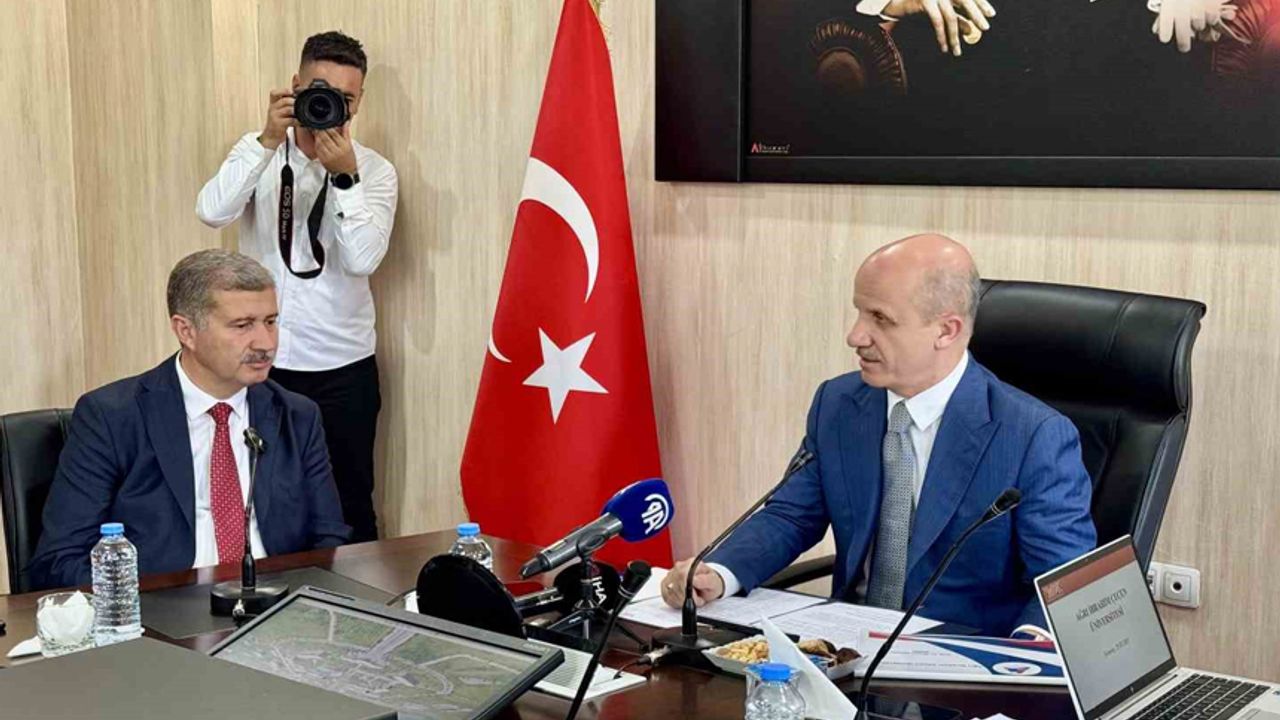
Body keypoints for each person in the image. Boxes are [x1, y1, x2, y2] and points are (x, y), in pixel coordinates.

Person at [660, 234, 1097, 637]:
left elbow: (1064, 582)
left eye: (880, 319)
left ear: (946, 331)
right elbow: (791, 516)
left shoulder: (1033, 436)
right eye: (859, 312)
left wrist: (1024, 660)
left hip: (962, 659)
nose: (855, 336)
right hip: (846, 647)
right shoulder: (838, 404)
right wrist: (719, 573)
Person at [29, 250, 350, 590]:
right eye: (243, 325)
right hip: (160, 606)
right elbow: (60, 560)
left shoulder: (297, 416)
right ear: (187, 331)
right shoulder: (112, 417)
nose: (266, 343)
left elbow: (329, 542)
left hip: (275, 601)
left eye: (270, 321)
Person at [196, 31, 396, 543]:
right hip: (264, 361)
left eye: (345, 98)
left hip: (343, 367)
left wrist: (345, 180)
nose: (331, 106)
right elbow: (212, 211)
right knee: (264, 498)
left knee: (350, 503)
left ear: (358, 103)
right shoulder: (259, 152)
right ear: (295, 86)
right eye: (320, 91)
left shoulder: (374, 171)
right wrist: (266, 141)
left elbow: (363, 259)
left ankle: (356, 596)